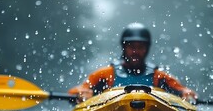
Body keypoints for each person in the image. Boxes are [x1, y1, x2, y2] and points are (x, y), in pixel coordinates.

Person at [68, 22, 198, 102]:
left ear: (147, 49)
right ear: (124, 48)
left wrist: (186, 93)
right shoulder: (105, 75)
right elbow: (77, 90)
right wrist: (81, 92)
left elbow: (184, 91)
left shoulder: (159, 77)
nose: (135, 52)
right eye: (131, 47)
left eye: (140, 47)